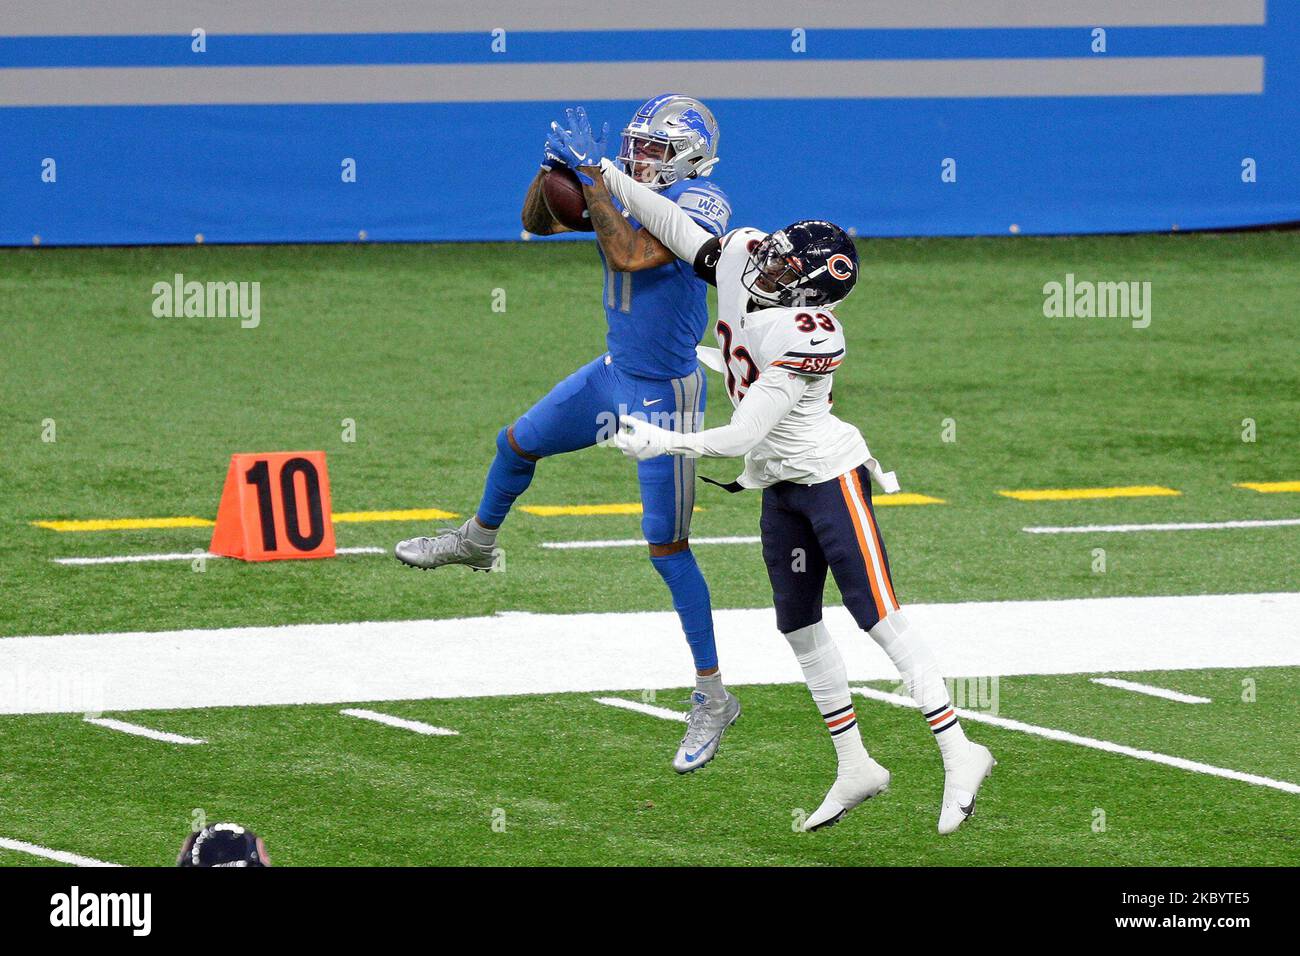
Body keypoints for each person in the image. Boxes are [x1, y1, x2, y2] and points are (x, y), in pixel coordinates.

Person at [547, 112, 995, 833]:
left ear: (814, 295)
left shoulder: (809, 332)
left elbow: (740, 434)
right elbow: (679, 227)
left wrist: (660, 441)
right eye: (779, 254)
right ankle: (855, 764)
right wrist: (610, 176)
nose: (771, 266)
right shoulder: (747, 250)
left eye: (789, 269)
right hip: (778, 482)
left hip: (827, 475)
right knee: (797, 623)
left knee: (877, 615)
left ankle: (959, 749)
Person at [396, 96, 741, 773]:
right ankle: (477, 539)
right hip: (613, 374)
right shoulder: (625, 185)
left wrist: (595, 176)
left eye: (656, 149)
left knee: (667, 549)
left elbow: (631, 251)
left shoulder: (707, 201)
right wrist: (554, 173)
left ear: (690, 157)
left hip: (664, 397)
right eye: (636, 145)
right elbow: (536, 223)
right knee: (515, 443)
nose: (642, 157)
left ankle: (711, 696)